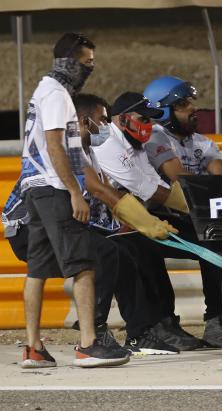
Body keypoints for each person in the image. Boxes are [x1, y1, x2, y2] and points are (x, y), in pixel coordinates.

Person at [93, 91, 222, 349]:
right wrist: (201, 205)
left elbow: (158, 186)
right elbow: (150, 190)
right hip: (112, 226)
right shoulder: (109, 146)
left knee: (212, 233)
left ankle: (219, 321)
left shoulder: (136, 146)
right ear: (121, 120)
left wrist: (205, 211)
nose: (149, 126)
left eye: (152, 120)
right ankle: (161, 325)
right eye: (143, 119)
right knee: (143, 247)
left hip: (136, 216)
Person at [15, 32, 129, 368]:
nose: (90, 69)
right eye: (87, 62)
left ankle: (34, 349)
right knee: (83, 265)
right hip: (54, 188)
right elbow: (56, 146)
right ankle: (88, 345)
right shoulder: (57, 95)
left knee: (37, 269)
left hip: (34, 187)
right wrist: (75, 192)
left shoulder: (44, 91)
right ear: (69, 61)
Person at [141, 76, 222, 348]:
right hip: (154, 218)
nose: (193, 109)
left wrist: (220, 179)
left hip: (190, 216)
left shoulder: (200, 141)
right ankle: (200, 323)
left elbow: (221, 172)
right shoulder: (155, 137)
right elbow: (178, 177)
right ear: (163, 111)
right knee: (211, 241)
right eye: (183, 104)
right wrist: (213, 183)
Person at [73, 93, 181, 355]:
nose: (107, 126)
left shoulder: (92, 152)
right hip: (43, 227)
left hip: (83, 225)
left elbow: (111, 194)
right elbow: (102, 191)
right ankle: (95, 332)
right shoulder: (72, 150)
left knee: (125, 254)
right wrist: (144, 222)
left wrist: (139, 221)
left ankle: (140, 334)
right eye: (102, 120)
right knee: (113, 253)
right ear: (84, 122)